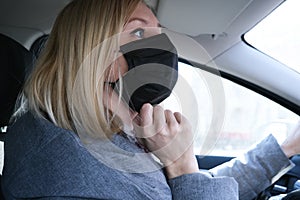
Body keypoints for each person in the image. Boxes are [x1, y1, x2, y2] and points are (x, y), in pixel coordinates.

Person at [1, 0, 300, 199]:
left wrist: (285, 149)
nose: (162, 45)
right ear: (92, 51)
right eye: (140, 31)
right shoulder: (66, 169)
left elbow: (185, 188)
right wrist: (181, 163)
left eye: (159, 32)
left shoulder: (102, 134)